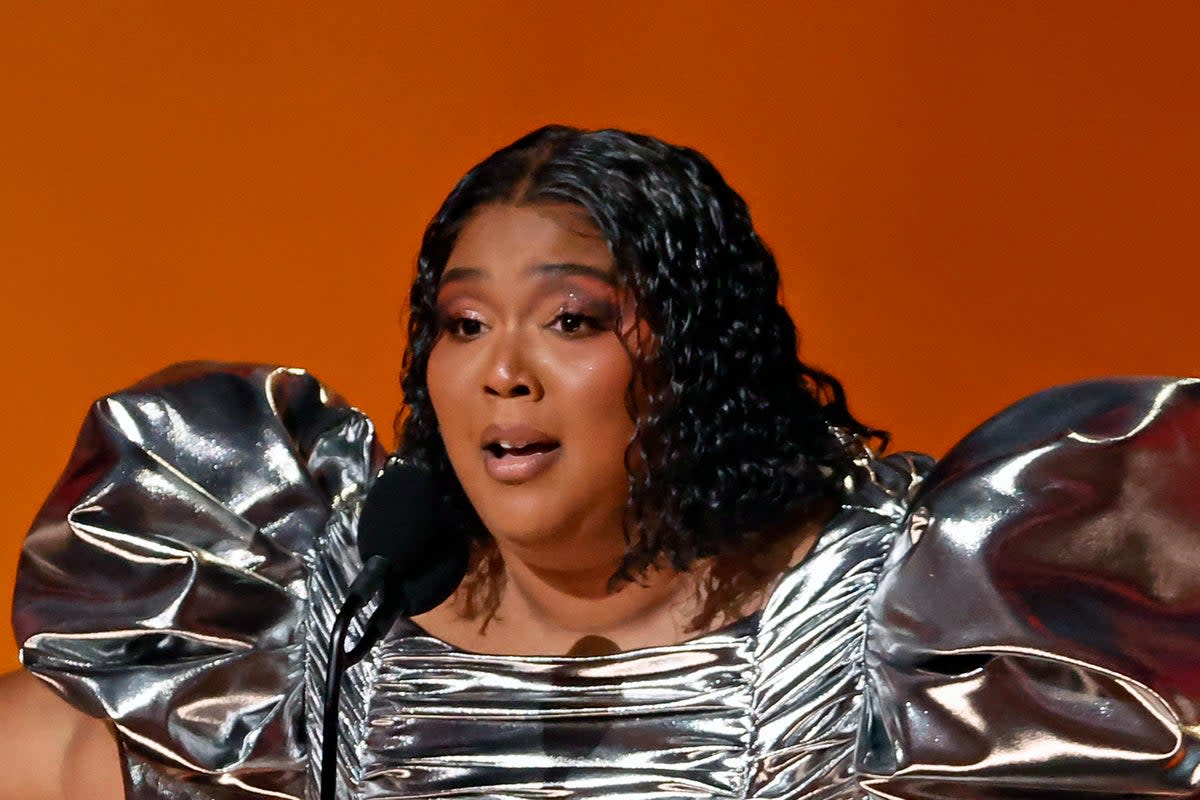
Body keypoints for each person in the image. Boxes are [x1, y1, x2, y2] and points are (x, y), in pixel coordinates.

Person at [3, 125, 1199, 799]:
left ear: (693, 358)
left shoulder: (915, 627)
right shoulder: (316, 631)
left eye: (571, 321)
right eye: (463, 325)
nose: (500, 372)